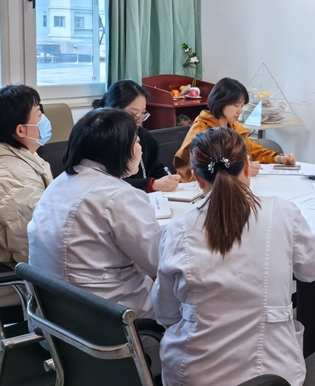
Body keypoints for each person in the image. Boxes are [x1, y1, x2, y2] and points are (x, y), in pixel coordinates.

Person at [153, 127, 315, 386]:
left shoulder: (177, 231)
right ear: (247, 166)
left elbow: (166, 313)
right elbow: (313, 269)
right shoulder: (282, 212)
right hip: (270, 380)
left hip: (195, 382)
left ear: (197, 178)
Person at [28, 108, 161, 318]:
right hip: (111, 318)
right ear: (119, 149)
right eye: (136, 142)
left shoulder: (59, 183)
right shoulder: (119, 195)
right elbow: (155, 261)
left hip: (54, 317)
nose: (141, 149)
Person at [174, 77, 295, 181]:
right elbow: (197, 168)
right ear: (221, 102)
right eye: (236, 105)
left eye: (242, 106)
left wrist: (279, 158)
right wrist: (239, 171)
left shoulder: (234, 126)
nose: (240, 111)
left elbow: (252, 149)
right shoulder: (201, 129)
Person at [0, 85, 53, 307]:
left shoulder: (21, 157)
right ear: (21, 130)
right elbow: (34, 249)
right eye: (39, 113)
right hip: (13, 276)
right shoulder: (15, 179)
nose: (45, 120)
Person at [93, 80, 180, 192]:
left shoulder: (145, 138)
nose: (139, 120)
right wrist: (151, 184)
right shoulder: (99, 139)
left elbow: (156, 170)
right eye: (132, 114)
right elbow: (104, 183)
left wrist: (168, 180)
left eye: (143, 113)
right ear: (113, 110)